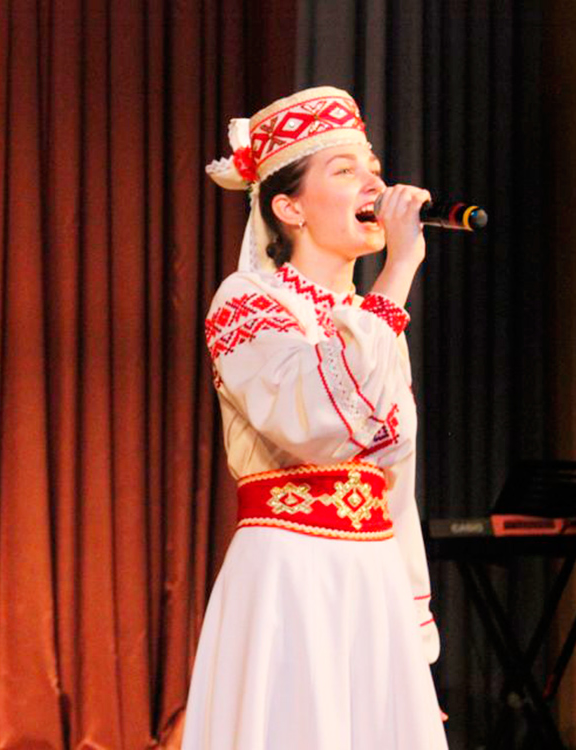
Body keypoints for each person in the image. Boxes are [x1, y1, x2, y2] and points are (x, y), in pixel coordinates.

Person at [182, 86, 447, 749]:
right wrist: (399, 269)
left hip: (373, 581)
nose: (375, 184)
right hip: (291, 577)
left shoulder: (373, 324)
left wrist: (414, 642)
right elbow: (319, 422)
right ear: (289, 207)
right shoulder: (247, 301)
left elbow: (393, 490)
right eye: (346, 169)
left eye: (375, 168)